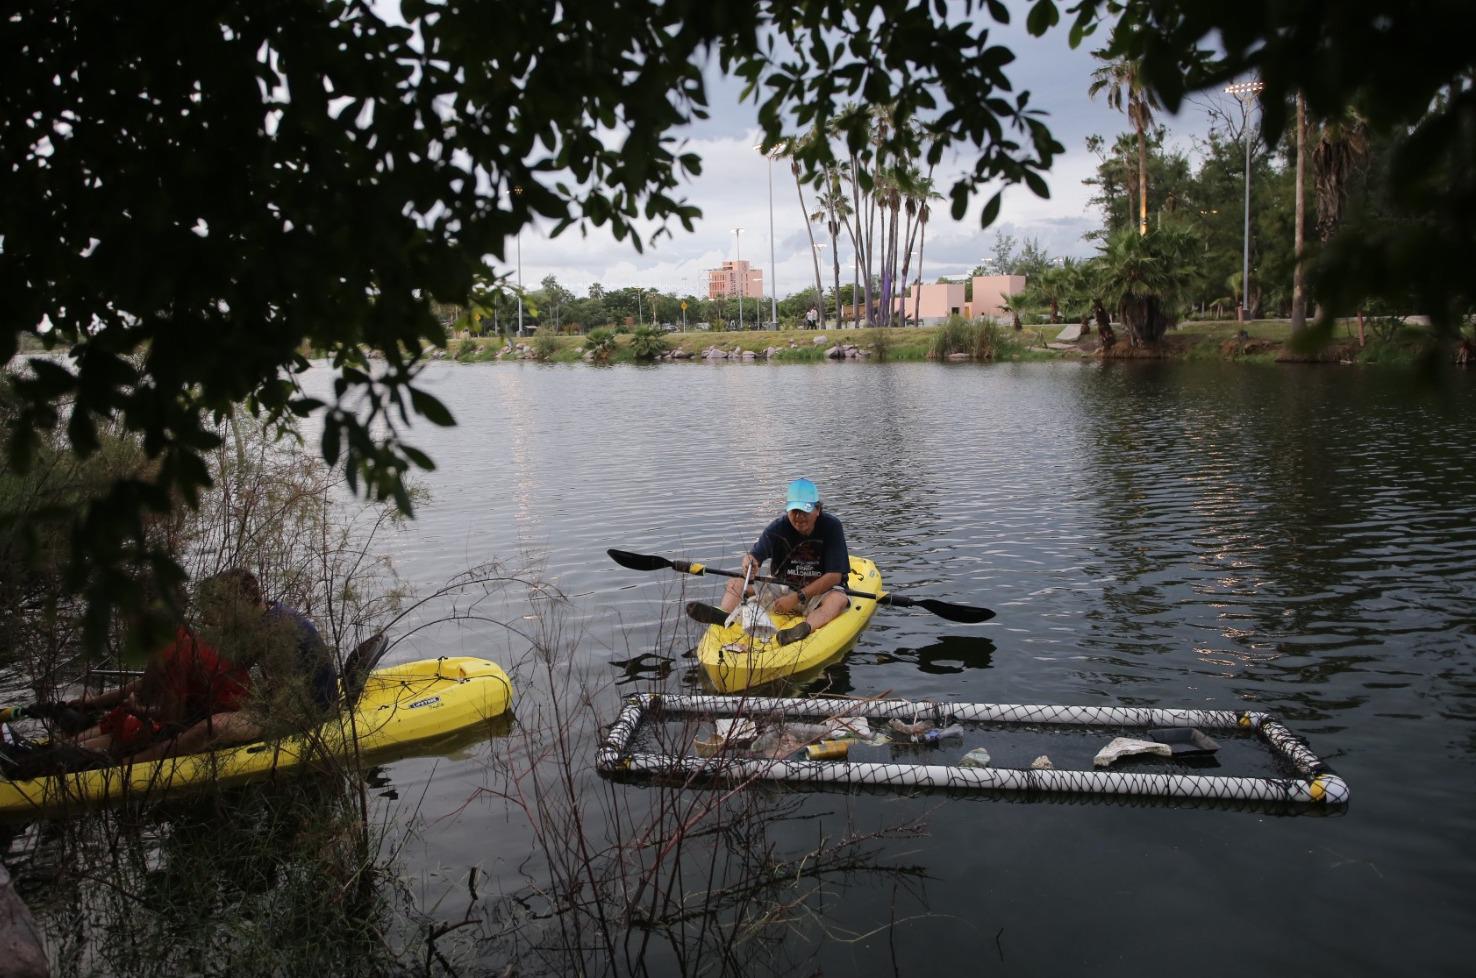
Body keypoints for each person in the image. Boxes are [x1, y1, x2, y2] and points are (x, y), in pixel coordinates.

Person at [72, 569, 335, 761]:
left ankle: (128, 765)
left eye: (214, 608)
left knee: (213, 726)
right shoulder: (262, 620)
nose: (207, 617)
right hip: (283, 701)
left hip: (306, 712)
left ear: (239, 603)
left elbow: (280, 696)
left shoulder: (276, 632)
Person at [687, 477, 850, 646]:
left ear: (818, 509)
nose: (799, 517)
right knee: (735, 584)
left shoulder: (832, 526)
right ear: (787, 511)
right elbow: (754, 555)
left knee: (838, 600)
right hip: (783, 588)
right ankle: (724, 617)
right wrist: (750, 563)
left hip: (818, 593)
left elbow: (834, 577)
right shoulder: (778, 528)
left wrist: (796, 598)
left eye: (805, 511)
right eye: (794, 511)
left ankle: (804, 628)